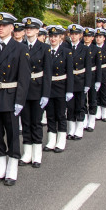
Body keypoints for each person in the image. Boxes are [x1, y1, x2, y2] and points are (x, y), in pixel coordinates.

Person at [0, 12, 29, 185]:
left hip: (10, 97)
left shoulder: (20, 49)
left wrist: (20, 101)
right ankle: (0, 167)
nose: (1, 28)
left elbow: (24, 79)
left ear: (12, 28)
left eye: (4, 25)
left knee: (12, 134)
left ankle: (12, 168)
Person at [19, 17, 51, 168]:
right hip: (24, 90)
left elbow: (48, 73)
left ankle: (37, 154)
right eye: (27, 28)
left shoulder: (44, 48)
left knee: (36, 122)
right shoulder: (20, 46)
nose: (29, 30)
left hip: (38, 89)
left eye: (32, 28)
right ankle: (27, 153)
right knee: (25, 122)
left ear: (38, 31)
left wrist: (46, 94)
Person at [43, 25, 73, 153]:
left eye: (55, 36)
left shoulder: (66, 52)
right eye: (51, 36)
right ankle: (51, 140)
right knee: (50, 115)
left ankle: (61, 140)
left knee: (60, 115)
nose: (53, 39)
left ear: (61, 37)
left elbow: (70, 73)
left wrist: (69, 90)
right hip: (49, 88)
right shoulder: (46, 51)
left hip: (61, 87)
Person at [63, 24, 92, 140]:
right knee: (70, 106)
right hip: (68, 81)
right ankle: (71, 129)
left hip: (80, 80)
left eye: (76, 34)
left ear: (80, 35)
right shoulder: (66, 47)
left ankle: (79, 129)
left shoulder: (85, 49)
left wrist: (87, 84)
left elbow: (88, 68)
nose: (73, 36)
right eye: (72, 34)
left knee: (80, 105)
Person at [81, 28, 101, 131]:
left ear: (92, 38)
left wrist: (98, 80)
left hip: (93, 76)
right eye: (85, 36)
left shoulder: (96, 49)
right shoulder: (81, 48)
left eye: (89, 36)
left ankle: (91, 121)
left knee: (92, 99)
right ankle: (84, 120)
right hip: (82, 76)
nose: (87, 38)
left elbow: (98, 66)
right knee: (83, 100)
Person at [94, 28, 106, 122]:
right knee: (96, 93)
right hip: (95, 72)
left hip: (104, 72)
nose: (98, 39)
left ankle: (105, 112)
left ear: (104, 38)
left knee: (105, 92)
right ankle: (98, 112)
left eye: (100, 37)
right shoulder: (93, 48)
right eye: (97, 37)